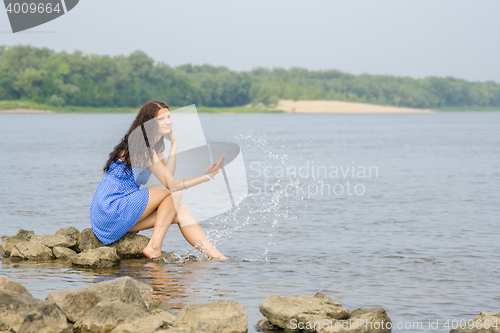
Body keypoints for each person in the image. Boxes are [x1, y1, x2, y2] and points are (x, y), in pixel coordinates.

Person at [89, 100, 228, 260]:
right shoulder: (142, 147)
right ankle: (154, 247)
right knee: (174, 191)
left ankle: (218, 257)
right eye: (161, 119)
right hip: (112, 208)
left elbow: (168, 177)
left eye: (168, 116)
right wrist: (205, 177)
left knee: (181, 211)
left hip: (116, 215)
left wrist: (174, 143)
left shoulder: (153, 148)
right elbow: (171, 185)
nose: (168, 121)